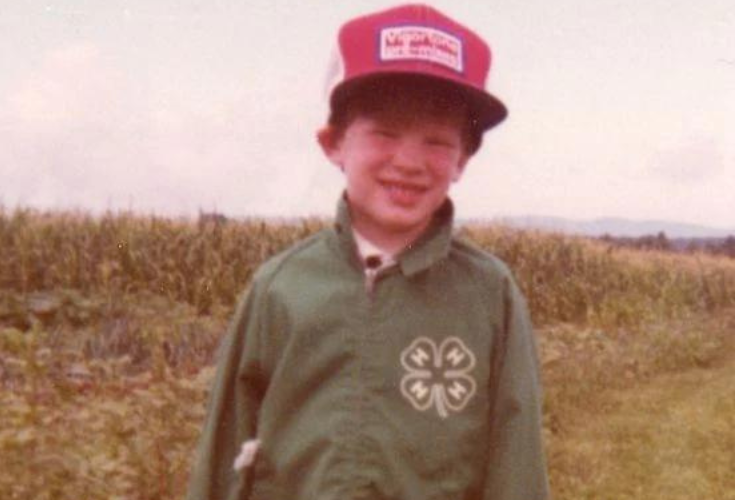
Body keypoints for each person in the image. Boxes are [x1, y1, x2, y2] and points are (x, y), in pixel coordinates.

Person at [186, 4, 549, 500]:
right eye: (384, 132)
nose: (409, 162)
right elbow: (224, 450)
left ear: (462, 160)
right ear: (333, 143)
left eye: (438, 141)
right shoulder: (281, 287)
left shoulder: (490, 294)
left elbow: (517, 461)